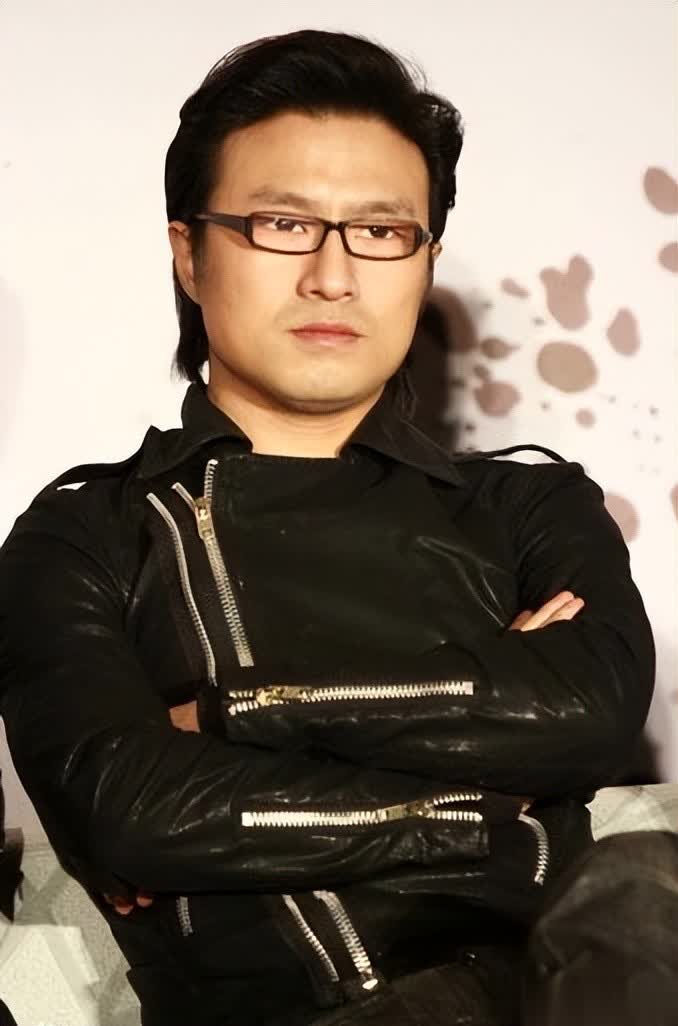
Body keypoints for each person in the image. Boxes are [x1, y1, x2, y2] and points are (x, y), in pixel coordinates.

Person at [0, 28, 655, 1026]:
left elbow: (588, 713)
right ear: (189, 253)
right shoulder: (85, 535)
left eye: (383, 233)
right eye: (283, 223)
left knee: (649, 885)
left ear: (426, 262)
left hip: (571, 988)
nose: (333, 276)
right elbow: (133, 811)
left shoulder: (529, 504)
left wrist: (231, 715)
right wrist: (477, 799)